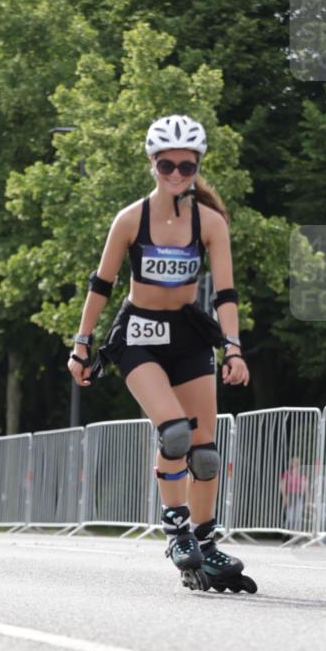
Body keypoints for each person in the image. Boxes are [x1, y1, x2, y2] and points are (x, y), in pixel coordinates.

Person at [67, 114, 256, 593]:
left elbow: (226, 294)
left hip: (188, 334)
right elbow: (101, 285)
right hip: (139, 335)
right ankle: (176, 530)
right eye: (167, 164)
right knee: (174, 434)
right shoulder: (131, 219)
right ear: (152, 163)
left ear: (197, 166)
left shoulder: (210, 222)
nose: (176, 174)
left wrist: (233, 348)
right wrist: (82, 343)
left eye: (186, 167)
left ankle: (206, 543)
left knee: (206, 454)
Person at [279, 456, 308, 532]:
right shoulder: (287, 474)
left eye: (298, 463)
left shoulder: (302, 475)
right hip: (290, 495)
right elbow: (282, 486)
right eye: (295, 463)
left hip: (299, 496)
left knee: (298, 518)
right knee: (290, 517)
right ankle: (288, 534)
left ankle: (296, 535)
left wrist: (307, 499)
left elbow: (306, 489)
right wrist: (285, 497)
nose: (297, 465)